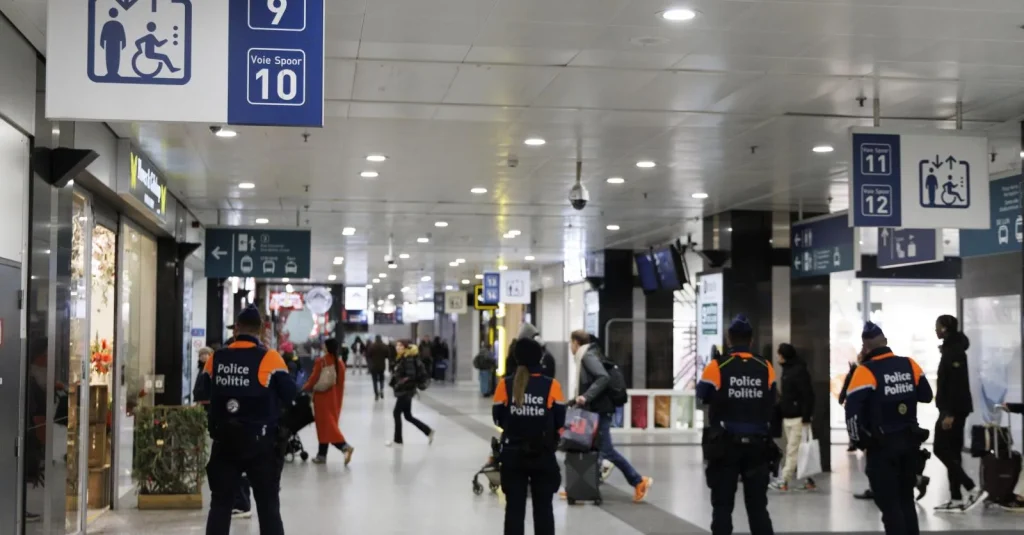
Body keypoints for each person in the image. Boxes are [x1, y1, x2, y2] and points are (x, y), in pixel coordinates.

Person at [199, 305, 295, 535]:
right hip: (260, 446)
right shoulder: (271, 358)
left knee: (220, 506)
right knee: (268, 508)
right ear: (261, 330)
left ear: (237, 329)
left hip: (224, 444)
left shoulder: (216, 357)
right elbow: (291, 394)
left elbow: (200, 393)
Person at [845, 322, 933, 535]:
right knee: (906, 500)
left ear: (865, 347)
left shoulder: (865, 371)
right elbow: (926, 396)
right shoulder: (909, 364)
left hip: (882, 447)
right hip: (910, 444)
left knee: (889, 505)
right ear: (885, 341)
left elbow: (852, 414)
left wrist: (859, 441)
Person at [696, 315, 776, 535]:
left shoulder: (717, 366)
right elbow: (772, 399)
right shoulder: (765, 366)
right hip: (758, 446)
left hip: (725, 446)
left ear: (729, 339)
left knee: (722, 507)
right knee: (758, 508)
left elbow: (701, 396)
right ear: (751, 341)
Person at [493, 335, 565, 535]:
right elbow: (560, 420)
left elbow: (498, 418)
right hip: (543, 454)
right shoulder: (552, 385)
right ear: (539, 358)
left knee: (514, 509)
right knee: (543, 508)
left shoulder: (505, 385)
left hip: (512, 455)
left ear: (515, 358)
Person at [570, 329, 652, 502]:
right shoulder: (590, 354)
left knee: (605, 450)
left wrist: (586, 397)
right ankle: (579, 487)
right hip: (598, 409)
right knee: (594, 449)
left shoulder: (587, 356)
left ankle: (638, 481)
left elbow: (603, 377)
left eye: (571, 343)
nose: (570, 347)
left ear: (576, 343)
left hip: (600, 410)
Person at [932, 314, 984, 512]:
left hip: (952, 410)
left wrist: (949, 413)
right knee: (953, 452)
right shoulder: (951, 348)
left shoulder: (953, 351)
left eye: (937, 327)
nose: (935, 330)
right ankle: (956, 499)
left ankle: (971, 487)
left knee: (940, 448)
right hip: (952, 409)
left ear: (945, 328)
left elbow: (956, 385)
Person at [770, 343, 816, 492]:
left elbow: (807, 395)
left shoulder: (799, 371)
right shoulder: (787, 371)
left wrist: (806, 416)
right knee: (797, 450)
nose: (777, 357)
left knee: (792, 450)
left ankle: (784, 480)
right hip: (788, 417)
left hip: (799, 418)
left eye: (779, 354)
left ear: (784, 355)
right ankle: (809, 479)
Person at [302, 338, 354, 466]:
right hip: (336, 399)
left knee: (327, 428)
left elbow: (313, 379)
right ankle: (322, 455)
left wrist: (303, 388)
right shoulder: (340, 363)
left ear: (327, 347)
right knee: (327, 427)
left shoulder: (322, 361)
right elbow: (340, 383)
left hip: (322, 399)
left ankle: (345, 447)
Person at [387, 340, 434, 446]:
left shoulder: (408, 359)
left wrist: (399, 384)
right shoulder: (402, 358)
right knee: (408, 416)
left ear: (406, 347)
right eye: (397, 345)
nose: (398, 347)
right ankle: (428, 431)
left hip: (406, 390)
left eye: (400, 346)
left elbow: (410, 376)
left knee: (396, 413)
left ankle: (398, 440)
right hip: (406, 390)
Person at [100, 8, 126, 77]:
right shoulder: (109, 24)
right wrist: (102, 42)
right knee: (109, 58)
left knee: (116, 58)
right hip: (110, 43)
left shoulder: (117, 24)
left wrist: (124, 43)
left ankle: (115, 73)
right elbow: (103, 35)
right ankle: (109, 72)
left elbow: (123, 35)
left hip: (115, 44)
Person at [367, 335, 390, 401]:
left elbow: (368, 355)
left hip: (374, 366)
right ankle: (381, 390)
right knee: (381, 379)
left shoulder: (372, 346)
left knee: (374, 380)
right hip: (382, 366)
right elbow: (387, 355)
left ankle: (376, 394)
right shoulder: (384, 346)